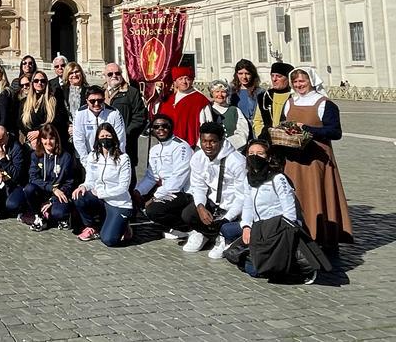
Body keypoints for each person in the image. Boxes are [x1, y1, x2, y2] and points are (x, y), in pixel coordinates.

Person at [279, 67, 353, 250]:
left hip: (316, 159)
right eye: (295, 82)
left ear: (311, 81)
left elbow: (335, 132)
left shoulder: (324, 104)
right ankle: (297, 231)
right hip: (293, 159)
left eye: (302, 81)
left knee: (317, 194)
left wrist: (308, 129)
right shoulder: (290, 102)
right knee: (295, 195)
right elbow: (282, 124)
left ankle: (321, 235)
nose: (298, 85)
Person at [240, 140, 329, 284]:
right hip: (259, 229)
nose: (254, 157)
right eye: (251, 153)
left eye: (260, 153)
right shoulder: (248, 179)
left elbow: (289, 209)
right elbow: (248, 205)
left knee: (261, 270)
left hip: (278, 229)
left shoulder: (277, 178)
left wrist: (286, 232)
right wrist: (246, 226)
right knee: (251, 268)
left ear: (268, 157)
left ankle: (297, 268)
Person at [181, 122, 247, 259]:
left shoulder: (237, 161)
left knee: (220, 243)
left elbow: (242, 196)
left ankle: (226, 237)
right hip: (214, 204)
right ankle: (205, 234)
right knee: (188, 214)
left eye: (213, 141)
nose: (208, 145)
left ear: (221, 141)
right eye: (204, 141)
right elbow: (198, 186)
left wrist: (227, 218)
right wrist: (200, 207)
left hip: (234, 209)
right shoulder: (198, 158)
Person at [72, 123, 133, 246]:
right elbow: (90, 180)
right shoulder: (93, 156)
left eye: (108, 136)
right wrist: (83, 186)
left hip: (118, 202)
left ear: (114, 137)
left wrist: (100, 193)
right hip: (100, 200)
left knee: (109, 240)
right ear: (97, 139)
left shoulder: (123, 158)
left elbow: (123, 187)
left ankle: (124, 225)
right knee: (79, 196)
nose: (105, 138)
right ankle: (92, 227)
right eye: (102, 136)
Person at [133, 114, 193, 239]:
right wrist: (138, 192)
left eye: (164, 126)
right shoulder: (154, 149)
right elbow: (151, 176)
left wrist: (155, 197)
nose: (160, 129)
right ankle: (173, 227)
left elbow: (179, 178)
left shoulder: (181, 147)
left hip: (184, 191)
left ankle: (190, 230)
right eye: (156, 127)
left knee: (153, 210)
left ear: (171, 127)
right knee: (134, 198)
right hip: (166, 190)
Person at [17, 124, 75, 231]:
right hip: (44, 191)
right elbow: (33, 178)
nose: (48, 142)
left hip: (59, 194)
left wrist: (52, 199)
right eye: (44, 138)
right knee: (29, 188)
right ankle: (39, 216)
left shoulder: (65, 157)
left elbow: (69, 182)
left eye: (51, 138)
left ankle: (62, 216)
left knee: (59, 213)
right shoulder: (35, 155)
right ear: (40, 140)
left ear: (56, 139)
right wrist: (51, 188)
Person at [104, 62, 147, 178]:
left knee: (127, 178)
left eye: (117, 73)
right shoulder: (100, 93)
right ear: (105, 76)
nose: (114, 76)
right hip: (104, 144)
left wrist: (125, 134)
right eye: (110, 74)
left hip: (126, 143)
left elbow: (140, 117)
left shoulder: (132, 92)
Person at [155, 66, 212, 147]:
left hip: (190, 145)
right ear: (175, 82)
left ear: (192, 80)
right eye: (180, 79)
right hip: (167, 144)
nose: (184, 82)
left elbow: (207, 125)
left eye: (187, 79)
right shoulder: (168, 100)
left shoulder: (200, 100)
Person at [71, 85, 126, 160]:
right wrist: (86, 162)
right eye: (92, 101)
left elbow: (120, 139)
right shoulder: (80, 114)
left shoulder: (114, 113)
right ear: (87, 100)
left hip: (110, 159)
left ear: (104, 99)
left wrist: (116, 159)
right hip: (87, 158)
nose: (96, 104)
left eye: (100, 101)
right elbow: (78, 140)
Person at [19, 70, 67, 150]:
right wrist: (31, 137)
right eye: (36, 81)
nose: (39, 83)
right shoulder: (24, 102)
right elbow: (21, 122)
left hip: (48, 141)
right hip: (31, 143)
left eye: (43, 81)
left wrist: (39, 133)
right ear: (32, 83)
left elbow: (58, 121)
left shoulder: (53, 101)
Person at [252, 61, 293, 142]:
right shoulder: (264, 97)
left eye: (279, 76)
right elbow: (257, 120)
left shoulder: (295, 96)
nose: (274, 79)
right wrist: (261, 135)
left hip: (289, 140)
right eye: (272, 76)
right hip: (267, 140)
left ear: (288, 78)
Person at [208, 80, 251, 150]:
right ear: (212, 93)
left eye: (223, 92)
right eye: (217, 91)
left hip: (232, 150)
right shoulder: (208, 109)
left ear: (227, 94)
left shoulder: (234, 110)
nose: (220, 95)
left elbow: (243, 132)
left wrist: (227, 145)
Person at [230, 59, 264, 127]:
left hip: (254, 129)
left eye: (247, 73)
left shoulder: (260, 92)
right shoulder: (231, 92)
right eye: (240, 73)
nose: (244, 77)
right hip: (238, 129)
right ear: (236, 74)